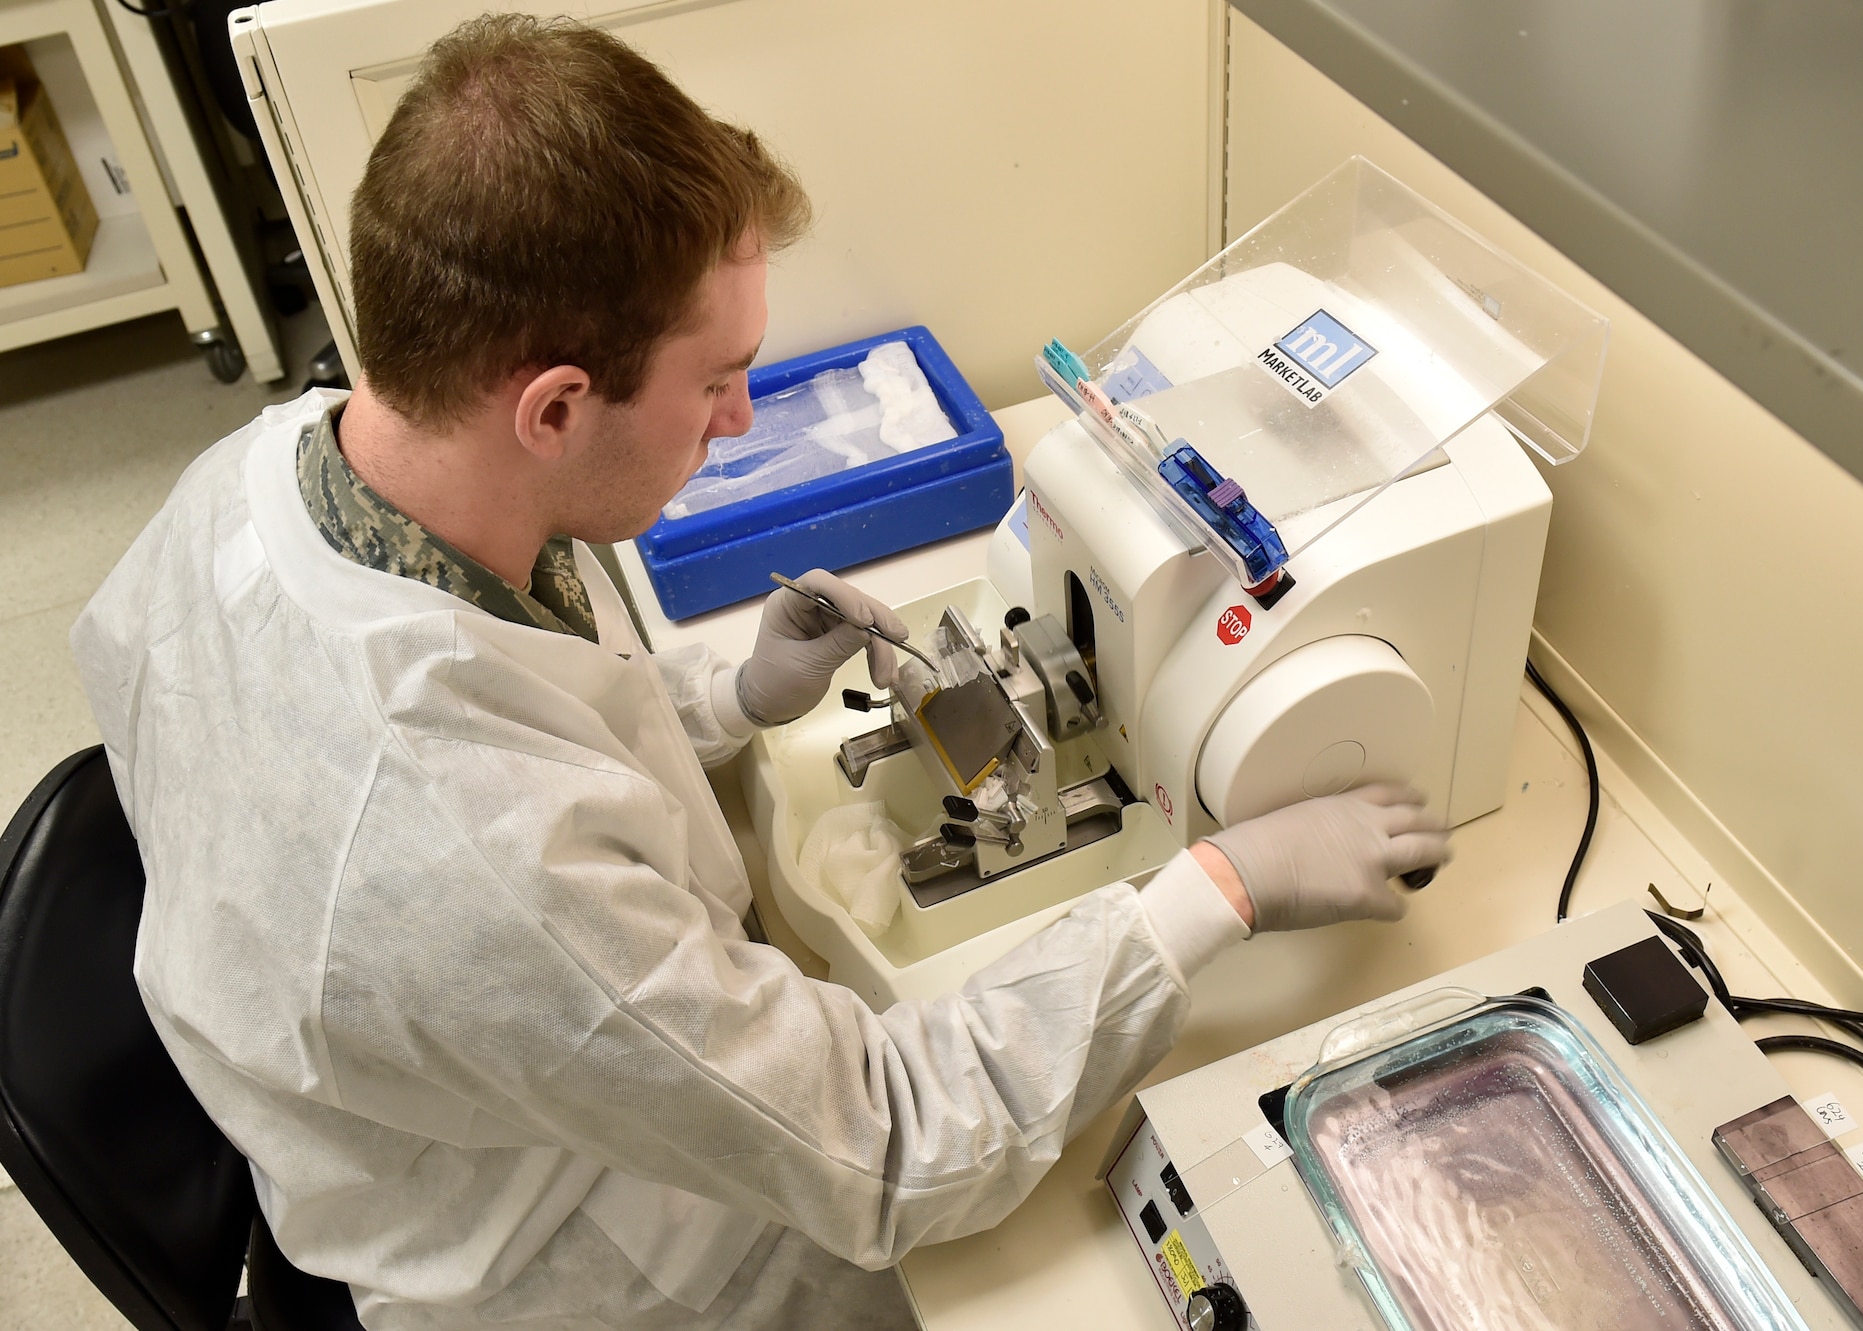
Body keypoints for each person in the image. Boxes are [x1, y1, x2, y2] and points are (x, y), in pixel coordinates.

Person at [71, 15, 1449, 1330]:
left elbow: (512, 703)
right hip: (600, 1271)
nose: (740, 420)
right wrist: (1215, 892)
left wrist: (725, 699)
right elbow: (899, 1147)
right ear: (551, 405)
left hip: (437, 1096)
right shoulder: (479, 868)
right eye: (718, 379)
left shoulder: (263, 475)